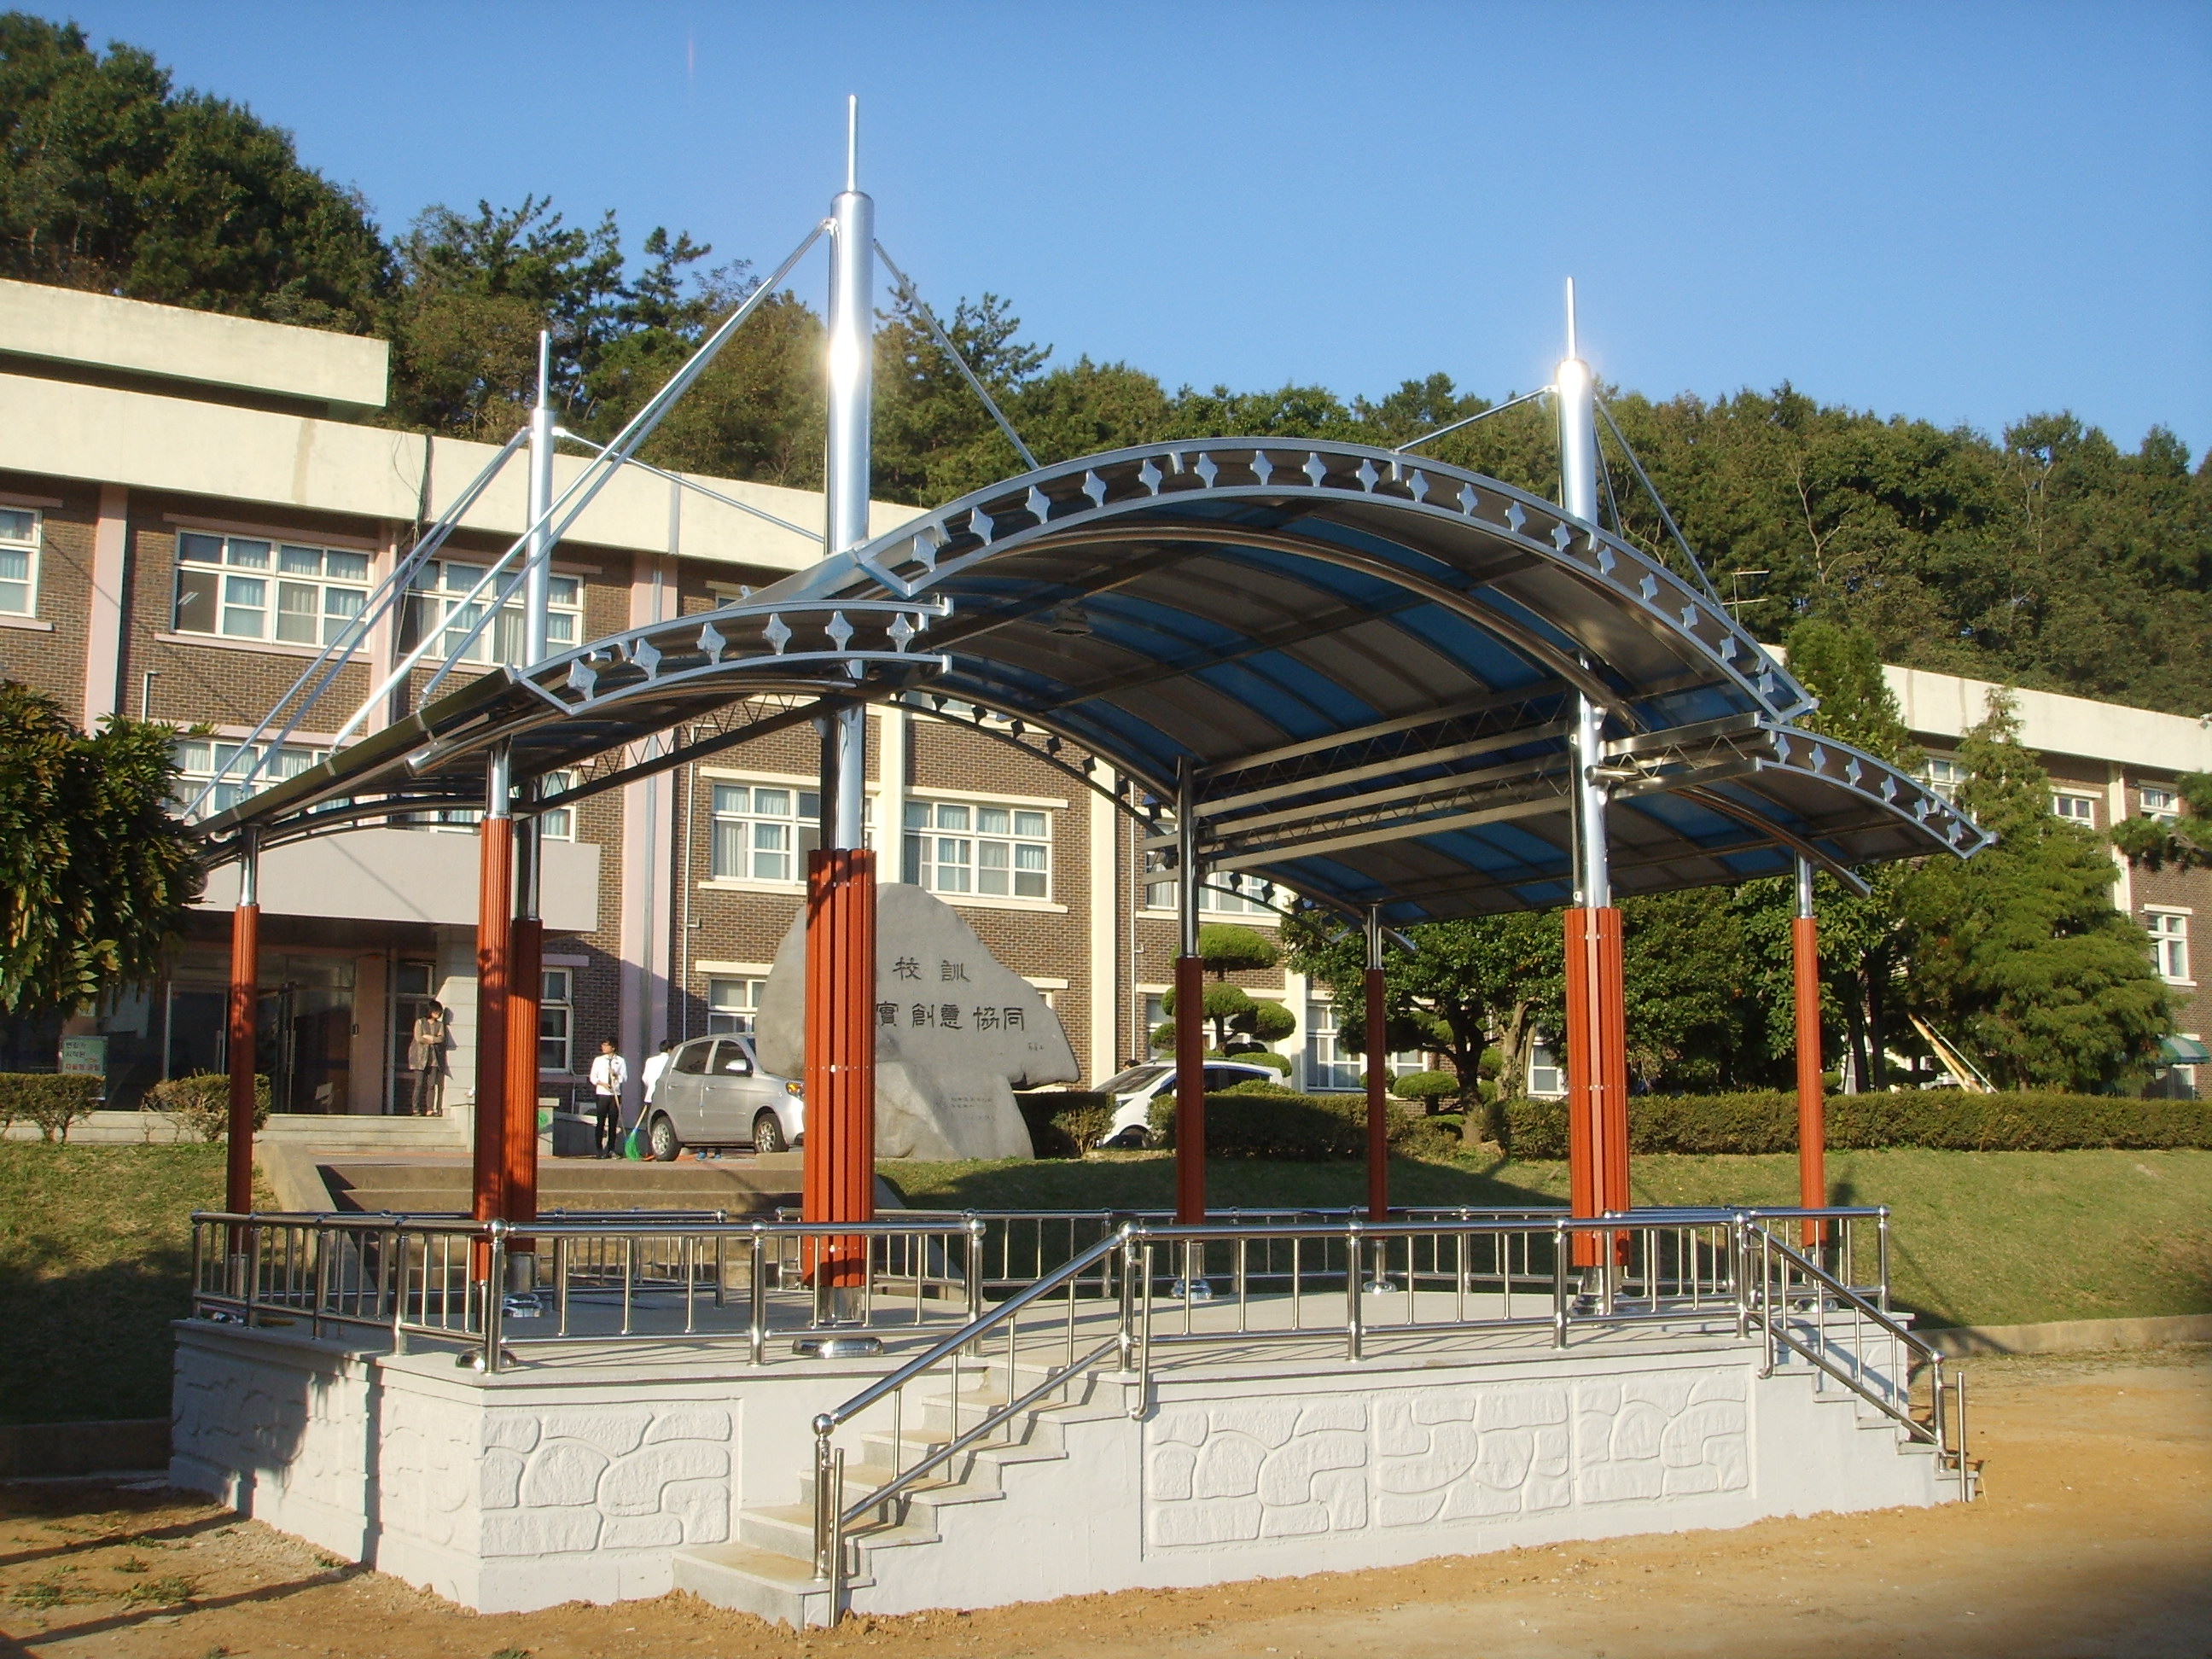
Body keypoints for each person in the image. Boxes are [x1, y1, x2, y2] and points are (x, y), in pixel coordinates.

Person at [588, 1039, 628, 1157]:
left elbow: (624, 1077)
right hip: (602, 1094)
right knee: (600, 1121)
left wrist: (616, 1075)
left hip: (615, 1094)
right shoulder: (599, 1060)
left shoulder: (620, 1061)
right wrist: (602, 1084)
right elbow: (593, 1077)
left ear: (613, 1047)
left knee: (613, 1122)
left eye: (606, 1045)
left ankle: (611, 1149)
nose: (604, 1047)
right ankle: (599, 1149)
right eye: (603, 1045)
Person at [407, 1002, 449, 1115]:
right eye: (436, 1011)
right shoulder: (420, 1022)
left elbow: (441, 1038)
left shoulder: (439, 1025)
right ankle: (416, 1108)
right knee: (419, 1084)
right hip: (420, 1058)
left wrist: (430, 1038)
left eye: (439, 1012)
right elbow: (418, 1038)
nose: (438, 1014)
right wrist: (433, 1039)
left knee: (431, 1085)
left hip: (434, 1059)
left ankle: (430, 1109)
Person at [641, 1038, 673, 1108]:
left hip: (650, 1095)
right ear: (669, 1050)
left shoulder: (650, 1060)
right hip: (666, 1098)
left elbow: (644, 1078)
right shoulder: (671, 1061)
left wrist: (651, 1085)